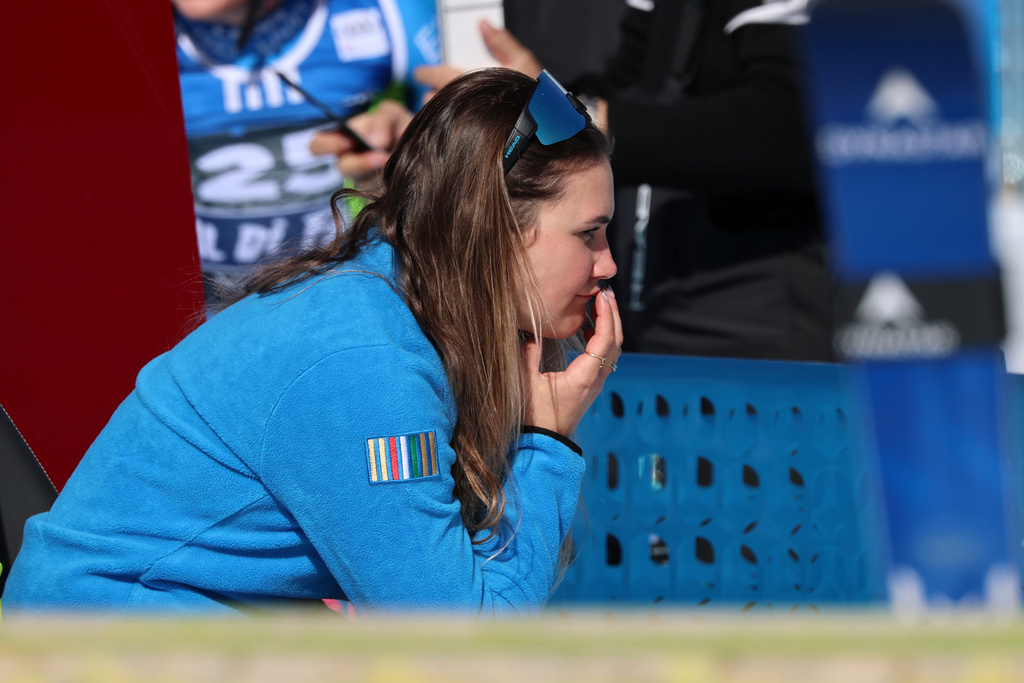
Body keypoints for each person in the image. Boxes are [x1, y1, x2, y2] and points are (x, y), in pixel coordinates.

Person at [1, 68, 621, 615]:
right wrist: (542, 447)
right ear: (492, 231)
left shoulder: (400, 302)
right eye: (589, 234)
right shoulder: (364, 363)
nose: (607, 264)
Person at [422, 0, 832, 361]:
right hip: (649, 321)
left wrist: (557, 117)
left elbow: (800, 119)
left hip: (758, 332)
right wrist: (469, 130)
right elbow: (630, 87)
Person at [173, 0, 440, 307]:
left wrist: (417, 156)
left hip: (345, 309)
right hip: (198, 325)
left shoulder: (388, 11)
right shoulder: (127, 35)